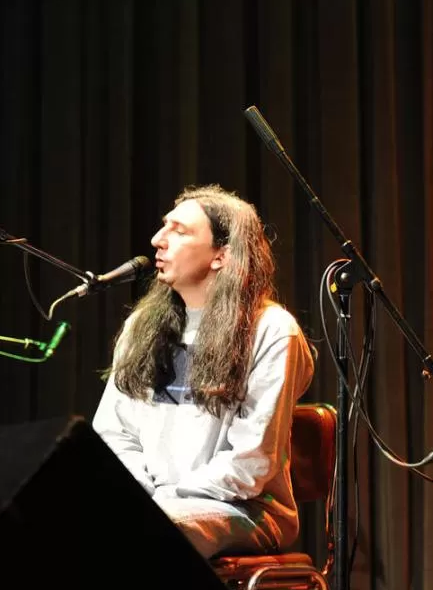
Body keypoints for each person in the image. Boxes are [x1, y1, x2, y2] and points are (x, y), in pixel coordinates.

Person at [93, 184, 315, 559]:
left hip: (243, 508)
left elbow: (252, 459)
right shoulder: (141, 327)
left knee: (146, 535)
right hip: (157, 502)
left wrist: (166, 500)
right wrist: (144, 496)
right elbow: (114, 432)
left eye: (179, 231)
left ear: (221, 256)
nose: (157, 240)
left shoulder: (272, 330)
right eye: (164, 227)